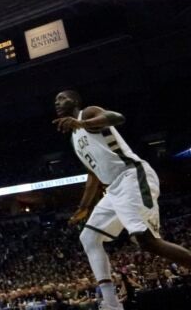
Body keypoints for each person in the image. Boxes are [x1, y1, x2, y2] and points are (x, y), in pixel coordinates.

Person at [53, 90, 191, 310]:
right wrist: (83, 207)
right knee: (88, 238)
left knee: (147, 241)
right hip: (113, 189)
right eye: (56, 101)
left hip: (132, 176)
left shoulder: (88, 113)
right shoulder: (74, 138)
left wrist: (82, 124)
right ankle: (111, 303)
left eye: (62, 98)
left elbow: (117, 117)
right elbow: (93, 174)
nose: (57, 102)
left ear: (76, 101)